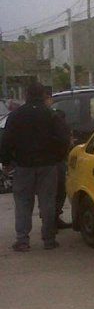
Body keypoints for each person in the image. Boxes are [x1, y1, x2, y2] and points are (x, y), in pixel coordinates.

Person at [1, 82, 69, 251]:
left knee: (23, 202)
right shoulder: (51, 115)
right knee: (47, 202)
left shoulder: (16, 115)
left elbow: (6, 141)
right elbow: (63, 139)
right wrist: (58, 158)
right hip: (48, 165)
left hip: (23, 165)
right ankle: (49, 239)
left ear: (26, 95)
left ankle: (23, 240)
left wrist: (7, 162)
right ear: (43, 95)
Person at [44, 87, 73, 230]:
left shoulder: (54, 115)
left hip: (42, 160)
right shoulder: (52, 116)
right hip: (53, 160)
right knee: (55, 191)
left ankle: (53, 219)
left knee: (54, 192)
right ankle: (51, 223)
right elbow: (63, 138)